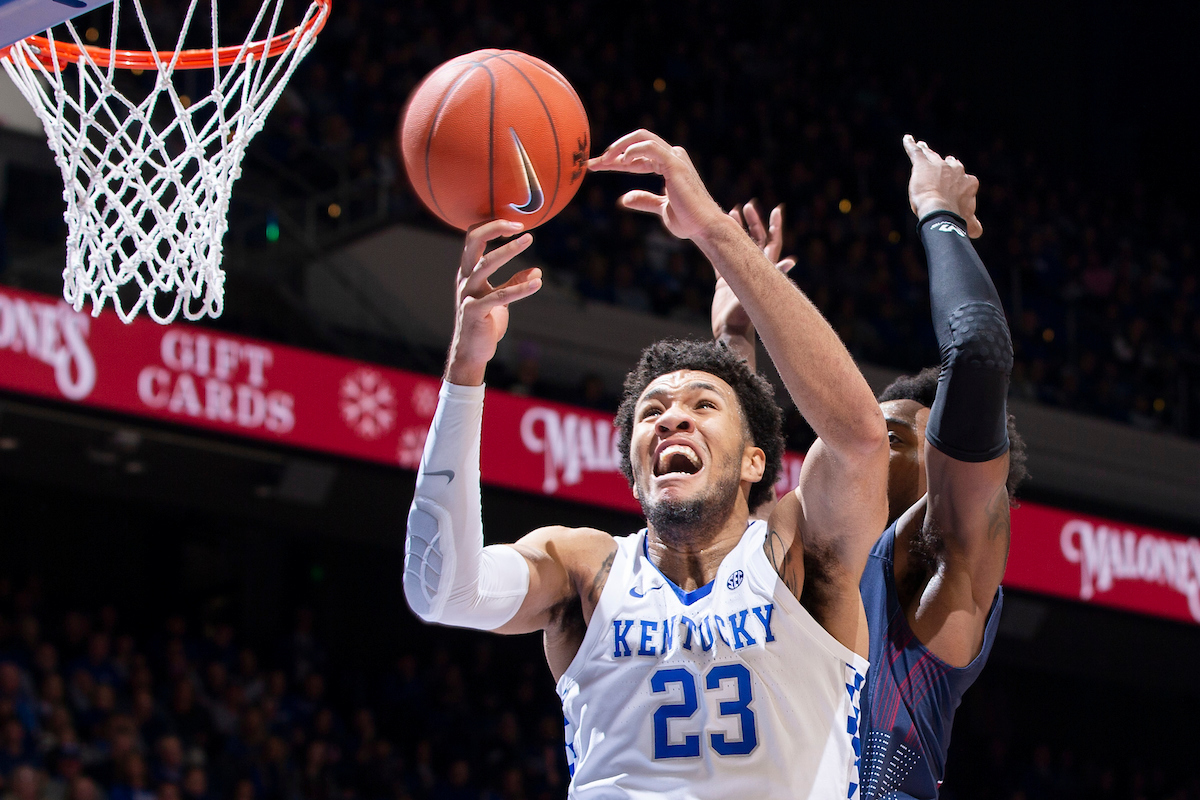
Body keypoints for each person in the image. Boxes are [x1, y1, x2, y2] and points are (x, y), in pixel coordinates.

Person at [403, 129, 890, 798]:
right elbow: (441, 590)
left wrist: (717, 235)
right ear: (633, 472)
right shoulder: (584, 568)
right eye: (652, 412)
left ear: (757, 464)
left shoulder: (798, 555)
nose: (671, 418)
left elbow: (860, 440)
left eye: (699, 405)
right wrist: (466, 369)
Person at [711, 136, 1027, 800]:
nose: (860, 449)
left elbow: (979, 349)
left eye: (890, 439)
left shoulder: (939, 564)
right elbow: (735, 506)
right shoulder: (802, 562)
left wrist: (937, 210)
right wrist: (735, 338)